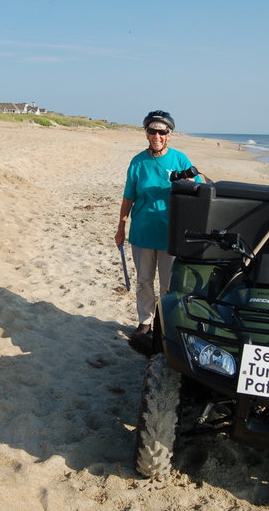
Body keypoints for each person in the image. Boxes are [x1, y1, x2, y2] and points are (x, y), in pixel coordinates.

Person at [115, 110, 203, 355]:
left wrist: (190, 184)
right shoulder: (137, 162)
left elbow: (201, 191)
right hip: (142, 231)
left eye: (162, 132)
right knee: (144, 281)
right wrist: (121, 228)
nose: (157, 135)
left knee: (168, 286)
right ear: (146, 134)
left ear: (170, 135)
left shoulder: (180, 159)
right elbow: (128, 197)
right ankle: (145, 321)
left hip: (171, 234)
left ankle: (164, 323)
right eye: (152, 131)